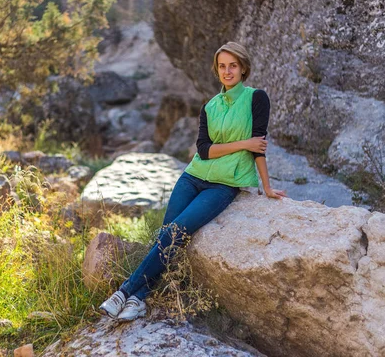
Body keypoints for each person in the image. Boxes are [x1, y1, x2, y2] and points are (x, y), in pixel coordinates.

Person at [99, 42, 286, 321]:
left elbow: (258, 145)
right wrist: (243, 142)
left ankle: (125, 291)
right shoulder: (210, 106)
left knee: (175, 233)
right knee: (166, 234)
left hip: (224, 184)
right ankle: (138, 299)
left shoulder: (257, 98)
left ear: (243, 68)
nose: (227, 71)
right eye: (222, 66)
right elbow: (204, 150)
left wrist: (266, 187)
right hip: (192, 176)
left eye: (232, 65)